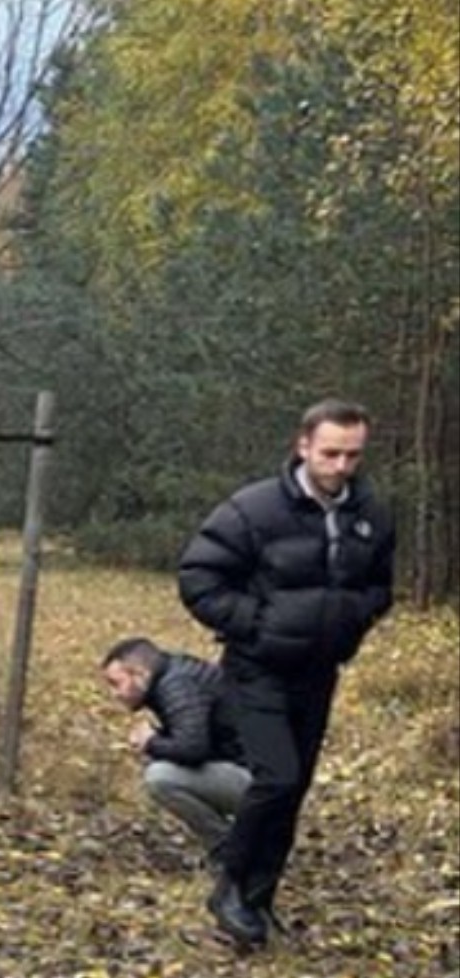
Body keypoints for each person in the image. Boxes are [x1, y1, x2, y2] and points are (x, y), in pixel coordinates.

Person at [178, 398, 395, 948]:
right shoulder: (254, 509)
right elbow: (198, 577)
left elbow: (379, 585)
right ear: (303, 446)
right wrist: (255, 624)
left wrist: (353, 620)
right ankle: (229, 883)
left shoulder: (369, 513)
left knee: (293, 789)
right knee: (275, 777)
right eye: (330, 453)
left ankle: (256, 904)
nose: (341, 466)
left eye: (353, 455)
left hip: (319, 671)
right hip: (256, 669)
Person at [99, 637, 250, 861]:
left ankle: (232, 850)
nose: (114, 694)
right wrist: (158, 738)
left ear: (140, 674)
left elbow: (193, 749)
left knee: (160, 777)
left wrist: (151, 742)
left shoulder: (177, 686)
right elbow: (202, 737)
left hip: (259, 784)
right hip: (257, 772)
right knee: (162, 764)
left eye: (116, 683)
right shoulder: (174, 675)